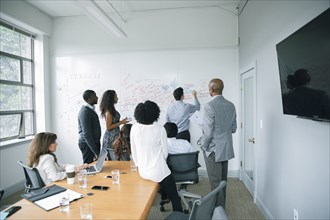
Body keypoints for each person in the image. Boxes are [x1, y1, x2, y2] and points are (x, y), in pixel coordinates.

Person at [130, 100, 183, 212]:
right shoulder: (160, 129)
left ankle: (163, 195)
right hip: (158, 172)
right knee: (175, 197)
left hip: (143, 172)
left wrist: (141, 164)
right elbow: (165, 154)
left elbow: (134, 153)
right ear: (155, 114)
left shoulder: (134, 128)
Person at [198, 78, 237, 208]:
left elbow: (208, 133)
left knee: (215, 183)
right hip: (226, 148)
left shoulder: (209, 106)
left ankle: (217, 211)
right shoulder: (231, 105)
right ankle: (221, 208)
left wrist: (203, 146)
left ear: (212, 90)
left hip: (213, 150)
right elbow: (233, 129)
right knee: (222, 182)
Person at [99, 90, 129, 160]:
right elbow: (109, 127)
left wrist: (121, 122)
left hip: (114, 137)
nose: (117, 98)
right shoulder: (109, 111)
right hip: (110, 139)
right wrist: (121, 122)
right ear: (111, 98)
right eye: (116, 97)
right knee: (114, 159)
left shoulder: (111, 109)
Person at [78, 90, 101, 164]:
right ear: (89, 99)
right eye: (95, 96)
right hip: (88, 145)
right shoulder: (85, 112)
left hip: (92, 143)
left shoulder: (90, 109)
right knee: (88, 167)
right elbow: (86, 134)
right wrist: (95, 151)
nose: (97, 97)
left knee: (96, 166)